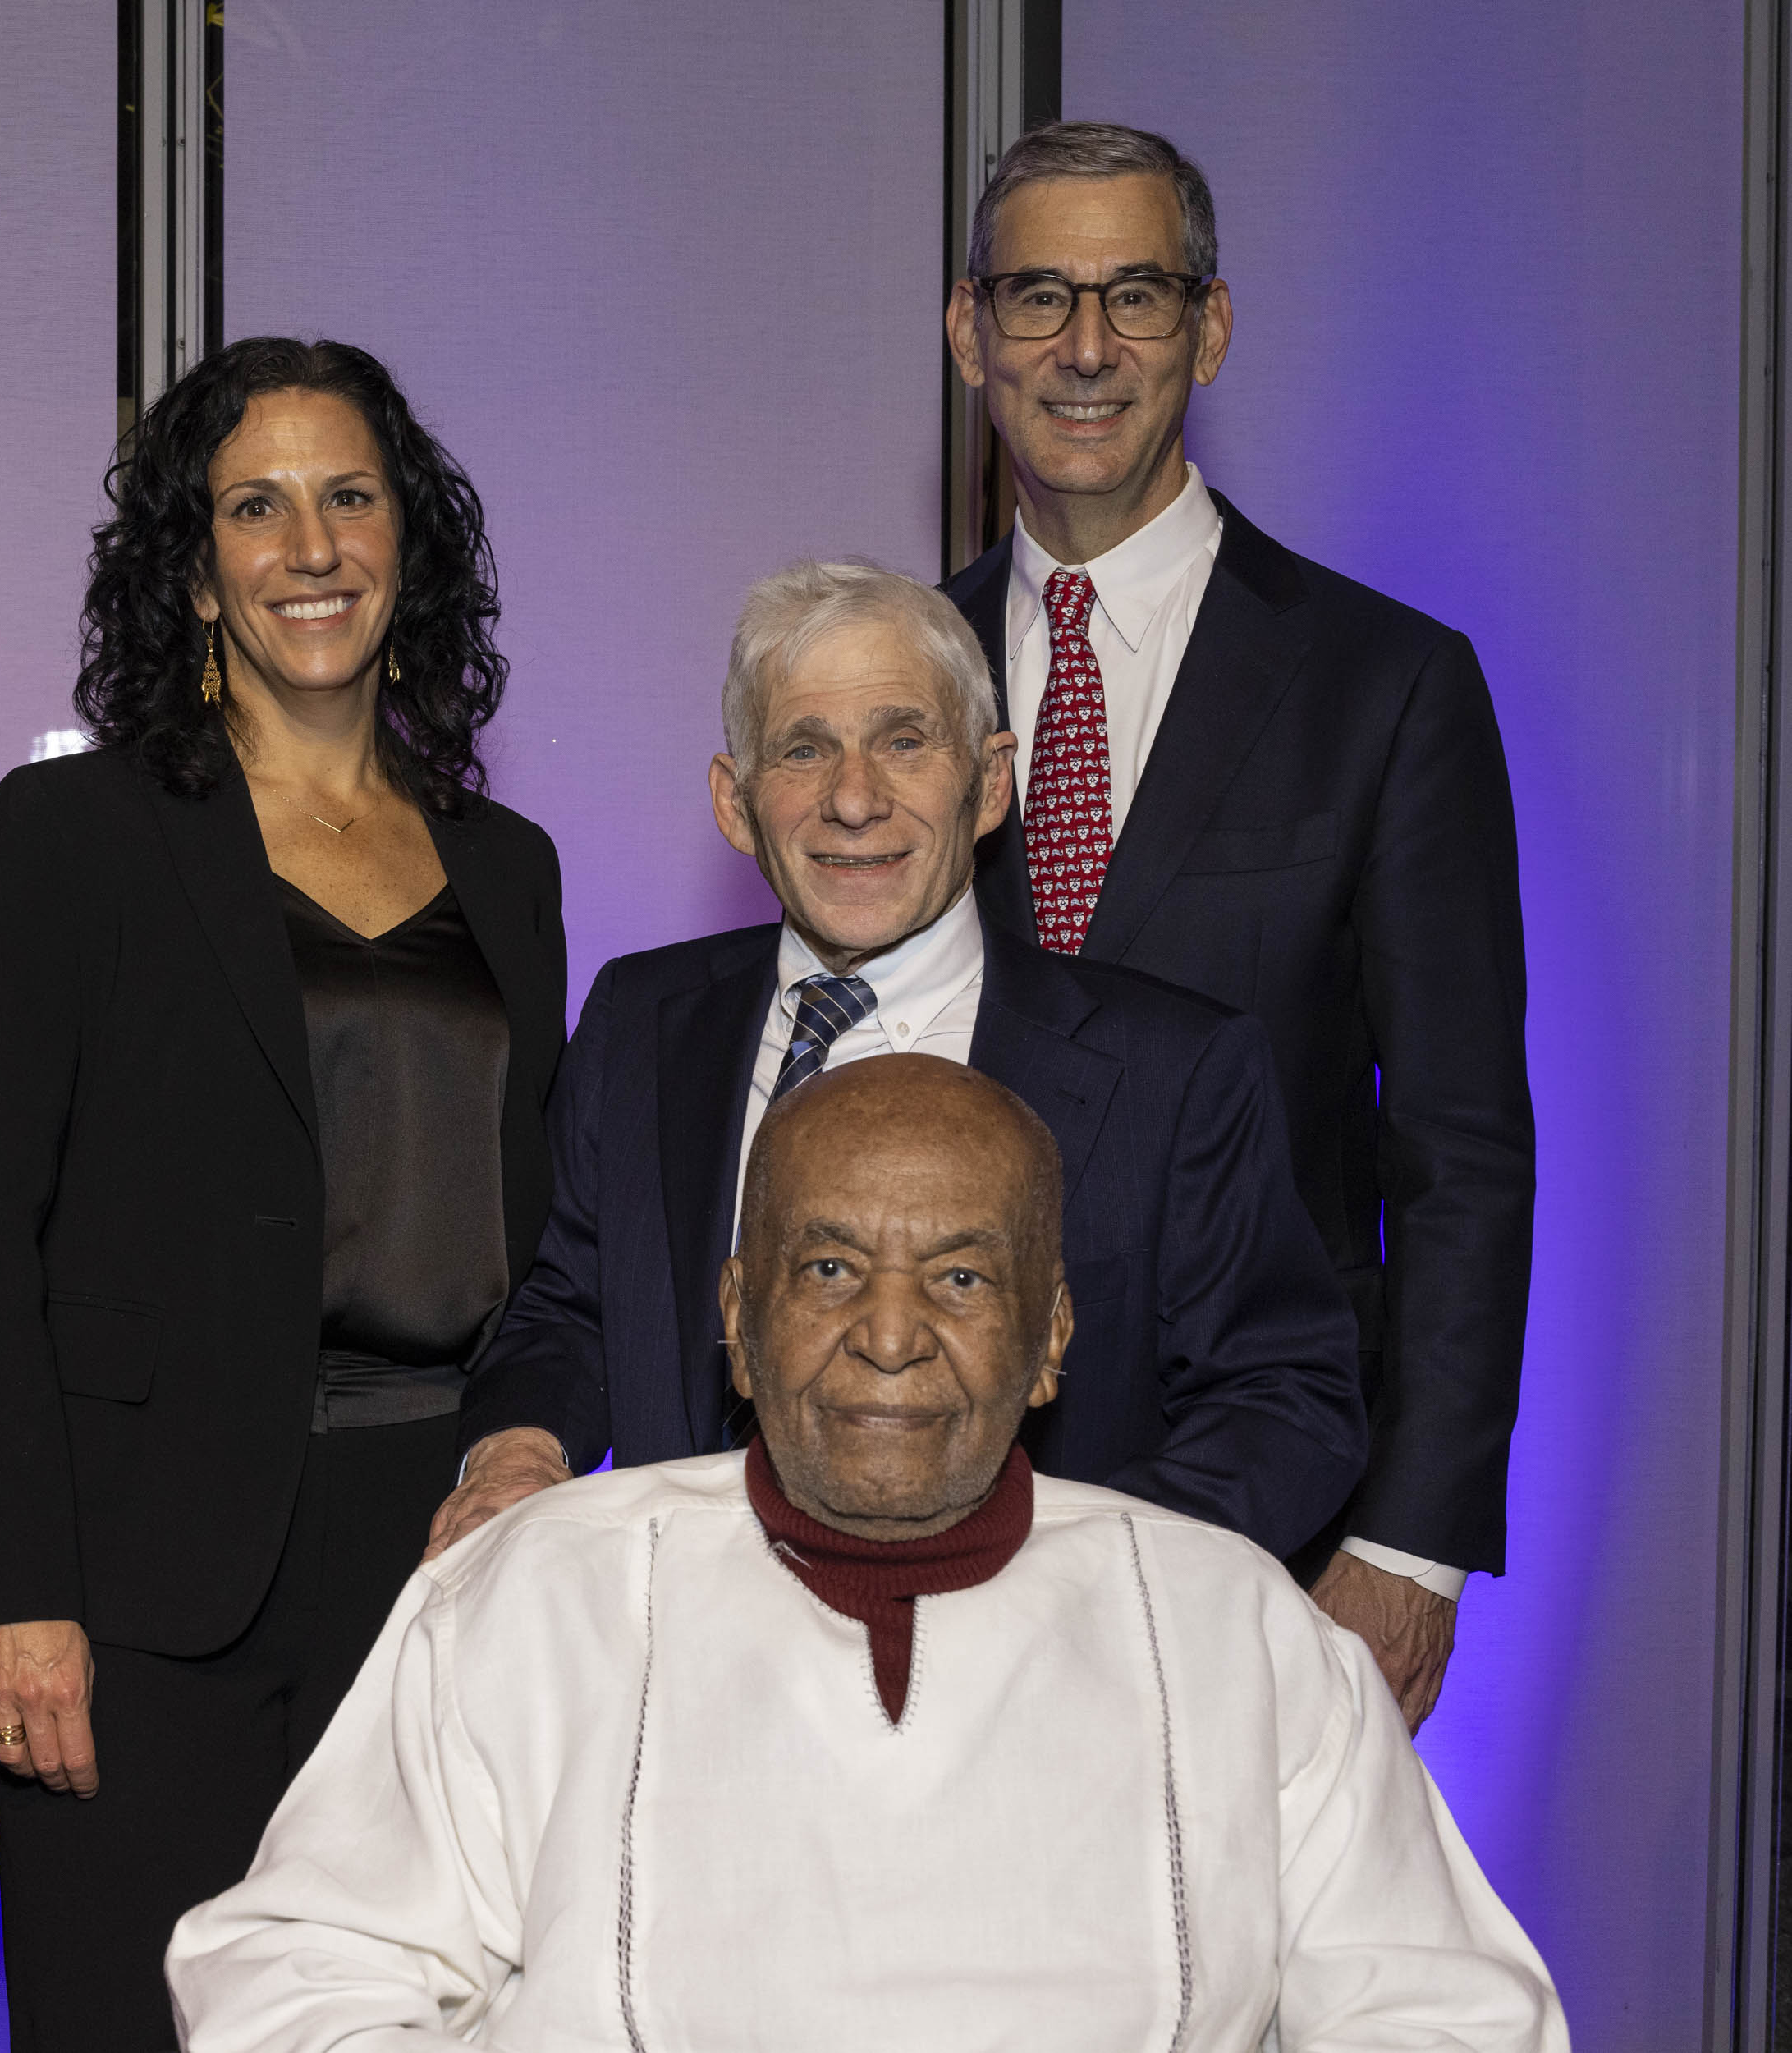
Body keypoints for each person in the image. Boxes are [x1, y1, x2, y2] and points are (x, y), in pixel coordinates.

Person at [169, 1056, 1565, 2051]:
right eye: (828, 1267)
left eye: (961, 1276)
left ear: (1054, 1335)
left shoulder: (1236, 1627)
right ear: (735, 1309)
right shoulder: (532, 1596)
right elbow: (295, 1979)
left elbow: (1442, 2010)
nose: (890, 1335)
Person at [0, 337, 566, 2051]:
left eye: (350, 496)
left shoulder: (508, 866)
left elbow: (546, 1244)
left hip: (440, 1572)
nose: (311, 543)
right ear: (192, 561)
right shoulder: (75, 831)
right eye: (256, 504)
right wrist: (9, 1585)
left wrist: (534, 1448)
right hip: (137, 1588)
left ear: (407, 539)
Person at [935, 121, 1533, 1730]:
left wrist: (1415, 1539)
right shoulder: (891, 678)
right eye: (1040, 294)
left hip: (1281, 1526)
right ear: (967, 329)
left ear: (1209, 327)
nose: (1083, 346)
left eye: (1135, 294)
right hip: (926, 1510)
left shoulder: (1384, 685)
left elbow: (1462, 1146)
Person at [439, 560, 1363, 1565]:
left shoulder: (1176, 1071)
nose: (852, 799)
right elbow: (571, 1305)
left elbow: (1286, 1402)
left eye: (904, 741)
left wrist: (1063, 1578)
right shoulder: (640, 1020)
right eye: (803, 749)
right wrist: (517, 1452)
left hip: (1037, 1684)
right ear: (736, 802)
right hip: (702, 1666)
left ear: (991, 781)